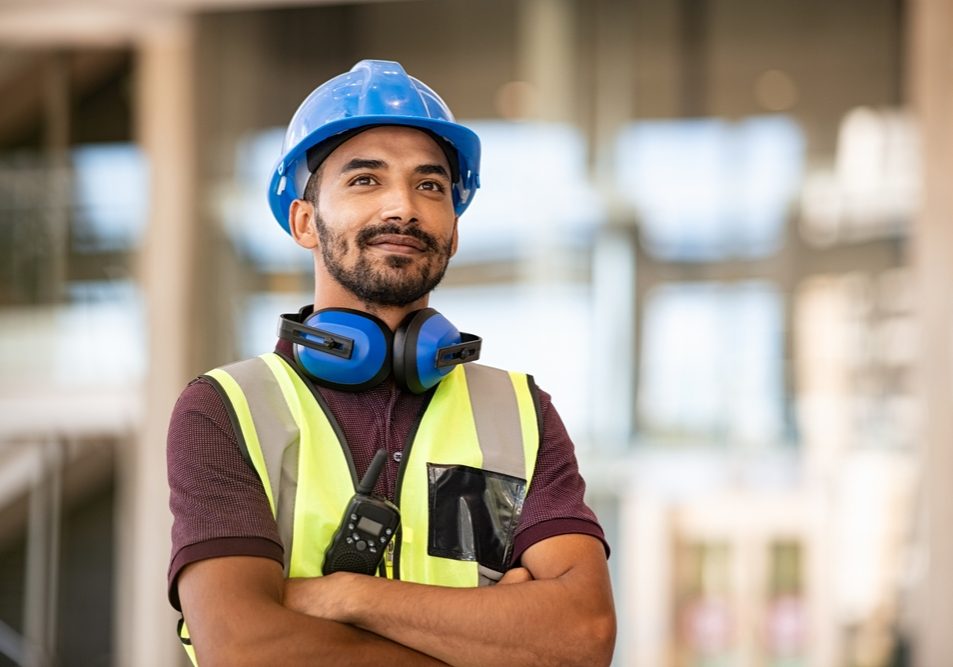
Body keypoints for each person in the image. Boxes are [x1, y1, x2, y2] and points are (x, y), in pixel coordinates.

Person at [167, 59, 616, 667]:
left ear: (454, 231)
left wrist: (347, 596)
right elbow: (245, 648)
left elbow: (583, 636)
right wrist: (493, 643)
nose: (402, 207)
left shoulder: (521, 413)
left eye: (430, 186)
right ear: (305, 222)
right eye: (365, 181)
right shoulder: (226, 408)